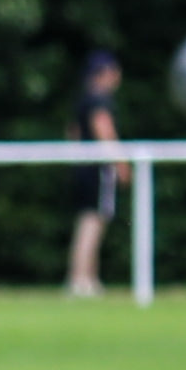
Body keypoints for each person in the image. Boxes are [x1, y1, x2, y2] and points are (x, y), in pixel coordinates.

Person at [62, 48, 133, 296]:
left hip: (83, 167)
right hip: (98, 169)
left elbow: (72, 132)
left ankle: (87, 278)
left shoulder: (83, 99)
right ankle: (81, 279)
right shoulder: (100, 100)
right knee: (93, 221)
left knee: (87, 220)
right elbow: (103, 129)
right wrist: (121, 163)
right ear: (106, 73)